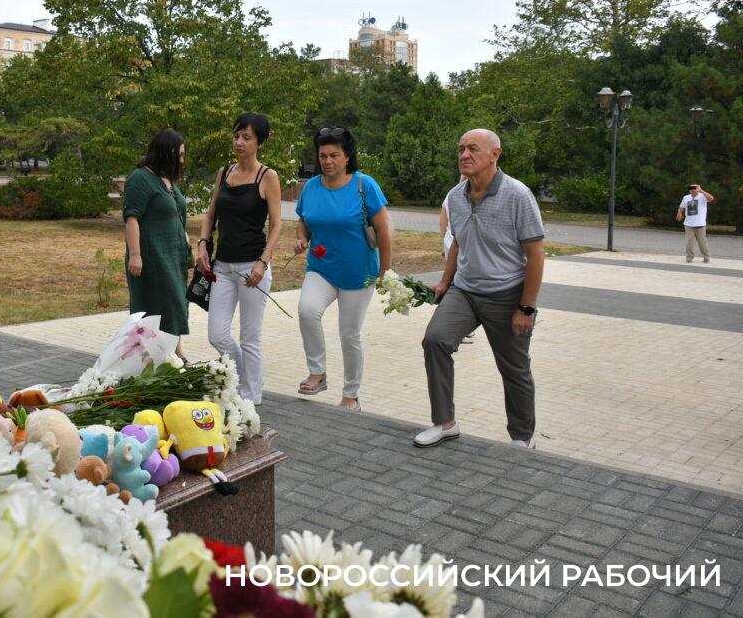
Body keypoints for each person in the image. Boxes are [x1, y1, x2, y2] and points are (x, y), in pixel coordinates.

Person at [415, 129, 545, 449]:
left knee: (513, 368)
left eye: (473, 148)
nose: (464, 155)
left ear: (495, 154)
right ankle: (445, 423)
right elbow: (458, 242)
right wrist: (445, 281)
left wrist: (526, 307)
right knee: (435, 340)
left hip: (507, 294)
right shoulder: (455, 196)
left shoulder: (518, 195)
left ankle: (522, 438)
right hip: (465, 291)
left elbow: (535, 254)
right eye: (461, 149)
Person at [294, 126, 392, 412]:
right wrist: (301, 238)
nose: (327, 161)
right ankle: (317, 373)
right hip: (321, 268)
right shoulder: (311, 187)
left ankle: (351, 395)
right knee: (307, 310)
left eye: (334, 155)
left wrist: (385, 270)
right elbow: (303, 220)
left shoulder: (364, 185)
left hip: (358, 273)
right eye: (323, 155)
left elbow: (383, 230)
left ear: (347, 156)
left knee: (349, 335)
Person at [197, 113, 282, 405]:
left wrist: (263, 261)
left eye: (246, 137)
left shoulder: (267, 176)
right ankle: (247, 377)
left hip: (252, 268)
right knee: (217, 335)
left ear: (261, 141)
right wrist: (202, 244)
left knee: (250, 337)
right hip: (222, 266)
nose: (239, 142)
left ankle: (251, 397)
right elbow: (211, 214)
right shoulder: (224, 172)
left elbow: (277, 224)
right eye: (236, 136)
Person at [123, 129, 191, 359]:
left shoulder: (167, 180)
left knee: (175, 303)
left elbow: (175, 215)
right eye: (179, 155)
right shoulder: (140, 178)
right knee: (158, 305)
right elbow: (132, 218)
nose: (181, 161)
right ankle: (163, 356)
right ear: (165, 152)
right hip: (151, 257)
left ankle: (173, 353)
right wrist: (135, 255)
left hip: (173, 256)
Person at [439, 186, 474, 345]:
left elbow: (442, 223)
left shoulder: (451, 194)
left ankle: (460, 328)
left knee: (456, 284)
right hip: (457, 245)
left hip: (451, 243)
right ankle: (457, 331)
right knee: (458, 286)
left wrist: (442, 243)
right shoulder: (455, 195)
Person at [676, 184, 715, 263]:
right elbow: (681, 207)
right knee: (689, 242)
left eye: (694, 188)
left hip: (700, 224)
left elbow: (711, 198)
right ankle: (689, 257)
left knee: (702, 242)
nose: (692, 190)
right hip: (688, 224)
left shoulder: (702, 196)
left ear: (697, 189)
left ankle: (706, 256)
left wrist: (701, 190)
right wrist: (679, 212)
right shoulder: (686, 197)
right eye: (691, 188)